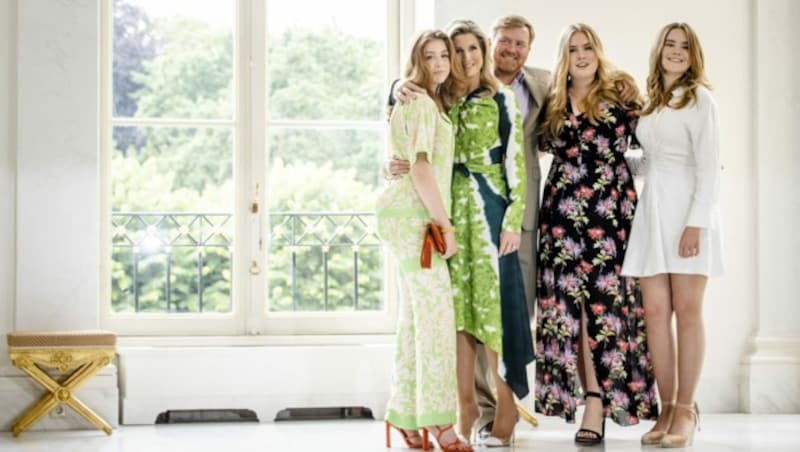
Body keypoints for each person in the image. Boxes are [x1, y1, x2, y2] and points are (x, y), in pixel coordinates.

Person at [390, 15, 641, 442]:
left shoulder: (543, 85)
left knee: (509, 311)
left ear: (527, 48)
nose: (509, 49)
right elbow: (415, 124)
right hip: (450, 213)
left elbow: (589, 87)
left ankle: (510, 404)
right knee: (458, 313)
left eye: (519, 43)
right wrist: (395, 89)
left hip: (516, 214)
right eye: (502, 41)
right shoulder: (443, 95)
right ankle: (474, 411)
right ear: (491, 43)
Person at [534, 23, 657, 445]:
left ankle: (599, 402)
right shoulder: (549, 99)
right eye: (573, 49)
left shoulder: (619, 94)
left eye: (588, 47)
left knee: (606, 309)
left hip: (610, 216)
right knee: (573, 311)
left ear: (598, 51)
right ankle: (591, 398)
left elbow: (653, 142)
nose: (582, 55)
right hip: (562, 219)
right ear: (563, 57)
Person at [621, 22, 723, 448]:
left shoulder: (701, 99)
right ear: (658, 50)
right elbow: (650, 163)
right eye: (670, 44)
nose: (676, 52)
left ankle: (686, 410)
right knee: (656, 315)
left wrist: (696, 222)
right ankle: (665, 409)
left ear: (693, 54)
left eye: (684, 46)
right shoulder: (652, 104)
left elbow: (709, 165)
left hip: (688, 213)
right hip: (653, 214)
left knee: (687, 308)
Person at [376, 29, 472, 452]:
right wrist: (444, 226)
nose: (437, 63)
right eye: (428, 56)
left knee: (416, 321)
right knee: (435, 322)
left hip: (404, 212)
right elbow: (419, 169)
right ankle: (440, 423)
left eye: (443, 56)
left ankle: (406, 418)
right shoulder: (419, 101)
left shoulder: (423, 101)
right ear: (416, 60)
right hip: (414, 217)